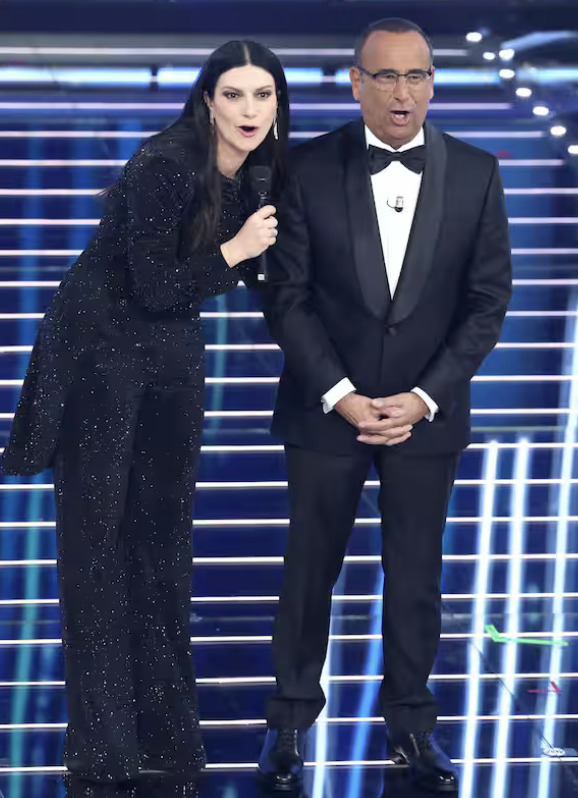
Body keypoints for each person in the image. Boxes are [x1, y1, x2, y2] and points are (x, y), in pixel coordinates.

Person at [1, 40, 288, 797]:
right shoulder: (165, 163)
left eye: (263, 95)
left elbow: (234, 283)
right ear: (207, 102)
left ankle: (167, 738)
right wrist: (236, 250)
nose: (250, 110)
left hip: (169, 356)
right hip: (100, 354)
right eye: (234, 94)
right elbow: (156, 283)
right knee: (97, 552)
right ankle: (104, 752)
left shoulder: (257, 171)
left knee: (162, 548)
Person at [257, 17, 512, 794]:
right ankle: (287, 727)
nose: (403, 92)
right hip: (324, 411)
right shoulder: (303, 168)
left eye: (417, 75)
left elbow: (487, 301)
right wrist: (341, 395)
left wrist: (424, 397)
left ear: (433, 83)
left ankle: (412, 729)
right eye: (387, 76)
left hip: (425, 418)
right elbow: (287, 297)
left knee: (415, 580)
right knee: (309, 571)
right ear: (357, 83)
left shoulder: (477, 172)